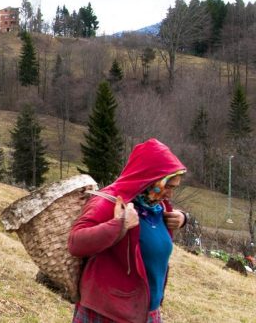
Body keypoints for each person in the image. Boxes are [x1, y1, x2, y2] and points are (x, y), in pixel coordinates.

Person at [68, 138, 188, 323]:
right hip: (107, 313)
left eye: (174, 188)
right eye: (168, 186)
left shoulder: (156, 205)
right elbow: (76, 242)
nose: (170, 194)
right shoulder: (109, 201)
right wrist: (119, 225)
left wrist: (182, 218)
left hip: (146, 312)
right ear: (151, 180)